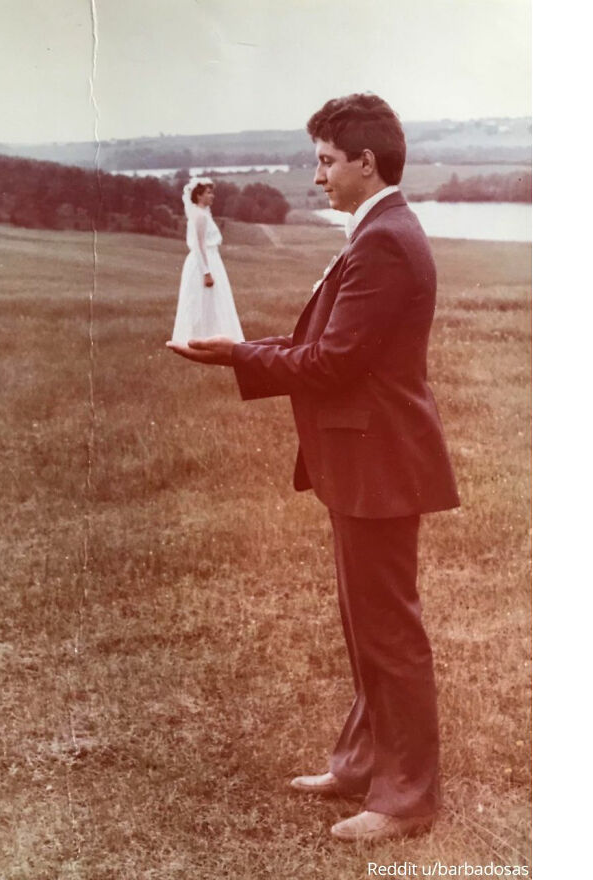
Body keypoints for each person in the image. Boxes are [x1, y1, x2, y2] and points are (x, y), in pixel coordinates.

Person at [166, 93, 459, 845]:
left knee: (389, 632)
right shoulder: (378, 230)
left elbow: (334, 360)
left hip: (380, 462)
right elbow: (337, 348)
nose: (317, 174)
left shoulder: (385, 240)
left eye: (327, 160)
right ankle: (364, 766)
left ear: (368, 162)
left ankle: (406, 797)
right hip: (364, 460)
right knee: (368, 626)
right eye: (317, 159)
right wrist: (245, 349)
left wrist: (235, 353)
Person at [171, 177, 244, 346]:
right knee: (199, 300)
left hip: (212, 260)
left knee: (213, 301)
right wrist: (206, 272)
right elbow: (199, 246)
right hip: (203, 263)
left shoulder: (203, 214)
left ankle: (213, 338)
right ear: (198, 196)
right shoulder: (199, 216)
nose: (212, 196)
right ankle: (198, 339)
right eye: (209, 193)